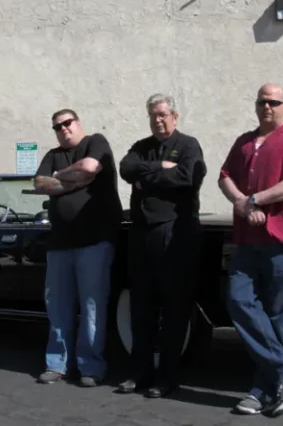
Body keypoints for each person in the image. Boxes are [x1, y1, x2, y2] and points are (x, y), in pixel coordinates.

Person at [218, 83, 283, 416]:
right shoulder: (244, 142)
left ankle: (264, 391)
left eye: (273, 102)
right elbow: (225, 176)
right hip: (247, 242)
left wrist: (256, 199)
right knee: (238, 300)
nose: (266, 107)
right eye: (261, 101)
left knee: (282, 321)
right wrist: (242, 204)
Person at [117, 94, 206, 398]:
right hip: (142, 234)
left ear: (175, 116)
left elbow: (188, 178)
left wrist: (149, 177)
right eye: (153, 115)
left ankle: (166, 377)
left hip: (175, 235)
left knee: (174, 309)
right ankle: (139, 374)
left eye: (163, 114)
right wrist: (160, 168)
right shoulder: (141, 147)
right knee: (141, 307)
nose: (158, 119)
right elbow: (126, 169)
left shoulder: (189, 145)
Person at [32, 108, 123, 387]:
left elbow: (91, 167)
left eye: (67, 123)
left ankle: (91, 367)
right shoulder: (52, 155)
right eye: (57, 127)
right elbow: (39, 184)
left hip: (95, 242)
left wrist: (60, 178)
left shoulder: (96, 141)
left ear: (78, 122)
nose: (63, 129)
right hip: (59, 244)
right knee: (58, 308)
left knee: (92, 307)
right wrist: (70, 177)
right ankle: (56, 364)